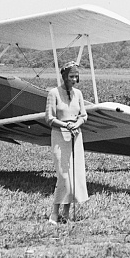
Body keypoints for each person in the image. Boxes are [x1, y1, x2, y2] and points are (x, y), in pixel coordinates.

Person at [45, 60, 89, 224]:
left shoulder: (78, 94)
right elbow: (49, 118)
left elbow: (84, 115)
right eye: (71, 76)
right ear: (64, 76)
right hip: (59, 136)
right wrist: (66, 125)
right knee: (64, 176)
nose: (74, 80)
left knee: (73, 176)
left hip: (75, 137)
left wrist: (77, 124)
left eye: (76, 77)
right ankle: (54, 213)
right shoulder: (53, 93)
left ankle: (66, 213)